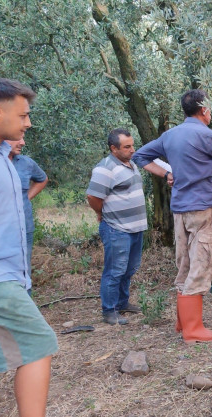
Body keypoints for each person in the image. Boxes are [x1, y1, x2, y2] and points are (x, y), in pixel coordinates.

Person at [0, 78, 80, 417]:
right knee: (39, 345)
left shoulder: (0, 155)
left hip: (1, 277)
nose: (28, 122)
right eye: (23, 114)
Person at [132, 89, 212, 344]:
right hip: (203, 209)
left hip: (180, 210)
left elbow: (139, 156)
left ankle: (183, 322)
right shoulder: (208, 136)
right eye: (210, 108)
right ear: (204, 110)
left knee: (185, 264)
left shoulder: (170, 136)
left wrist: (167, 174)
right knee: (202, 264)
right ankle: (194, 330)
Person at [86, 129, 148, 325]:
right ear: (113, 148)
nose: (132, 150)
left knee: (130, 268)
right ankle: (109, 310)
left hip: (135, 228)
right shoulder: (105, 168)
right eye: (127, 147)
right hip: (116, 228)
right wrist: (101, 213)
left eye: (132, 145)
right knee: (115, 270)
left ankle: (122, 303)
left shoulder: (130, 164)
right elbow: (93, 197)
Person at [153, 158, 212, 295]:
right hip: (189, 209)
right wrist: (168, 175)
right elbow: (152, 160)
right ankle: (193, 283)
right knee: (190, 246)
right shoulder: (180, 163)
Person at [7, 138, 48, 293]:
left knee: (24, 270)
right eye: (16, 138)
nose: (22, 142)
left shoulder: (26, 163)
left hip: (24, 226)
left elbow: (42, 179)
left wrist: (25, 198)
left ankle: (25, 308)